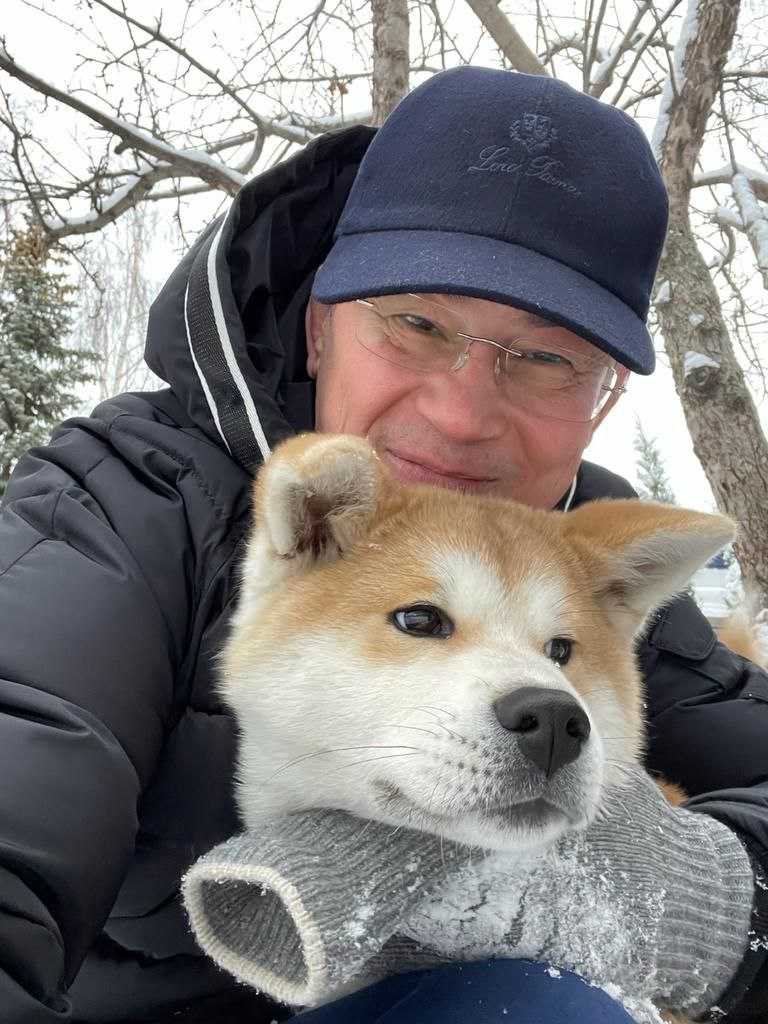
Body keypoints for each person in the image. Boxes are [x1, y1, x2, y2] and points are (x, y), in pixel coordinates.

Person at [0, 65, 766, 1024]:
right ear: (322, 329)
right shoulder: (122, 505)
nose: (462, 414)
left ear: (602, 398)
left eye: (546, 359)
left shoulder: (589, 554)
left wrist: (694, 896)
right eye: (416, 324)